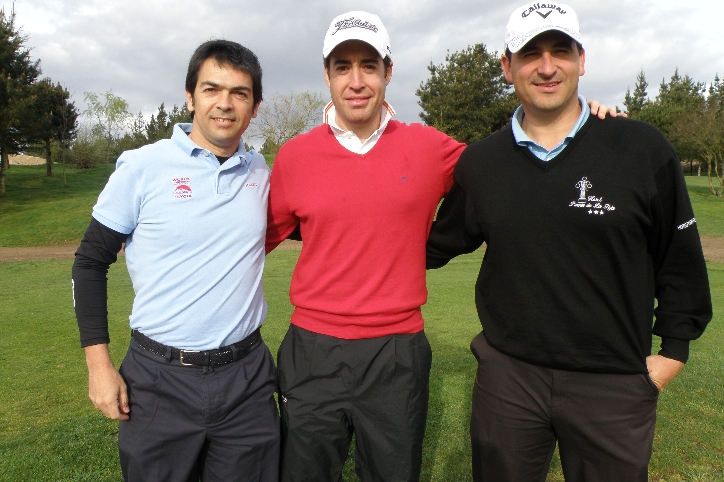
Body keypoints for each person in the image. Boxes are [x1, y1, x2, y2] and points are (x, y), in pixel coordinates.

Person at [426, 3, 713, 481]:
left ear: (581, 59)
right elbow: (435, 244)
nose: (546, 65)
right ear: (507, 66)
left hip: (615, 383)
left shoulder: (640, 148)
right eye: (530, 53)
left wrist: (672, 353)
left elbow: (678, 257)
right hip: (508, 382)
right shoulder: (482, 163)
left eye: (560, 50)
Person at [72, 40, 279, 482]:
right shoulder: (142, 167)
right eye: (211, 89)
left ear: (255, 106)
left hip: (247, 379)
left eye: (240, 93)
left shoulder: (262, 172)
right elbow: (89, 262)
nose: (225, 103)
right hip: (158, 380)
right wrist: (99, 367)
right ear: (190, 96)